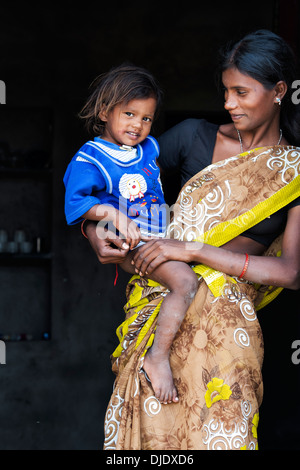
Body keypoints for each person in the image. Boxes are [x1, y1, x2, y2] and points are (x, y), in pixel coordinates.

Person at [83, 30, 300, 450]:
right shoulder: (192, 138)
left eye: (241, 92)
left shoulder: (292, 172)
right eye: (225, 91)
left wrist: (195, 250)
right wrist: (93, 230)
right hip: (160, 309)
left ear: (278, 91)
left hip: (228, 335)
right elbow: (112, 183)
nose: (228, 103)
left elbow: (291, 272)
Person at [63, 64, 199, 404]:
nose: (138, 125)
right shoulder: (91, 157)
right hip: (133, 245)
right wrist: (107, 213)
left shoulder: (150, 148)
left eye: (146, 118)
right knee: (185, 283)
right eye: (129, 114)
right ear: (105, 112)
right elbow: (74, 203)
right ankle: (157, 358)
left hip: (159, 236)